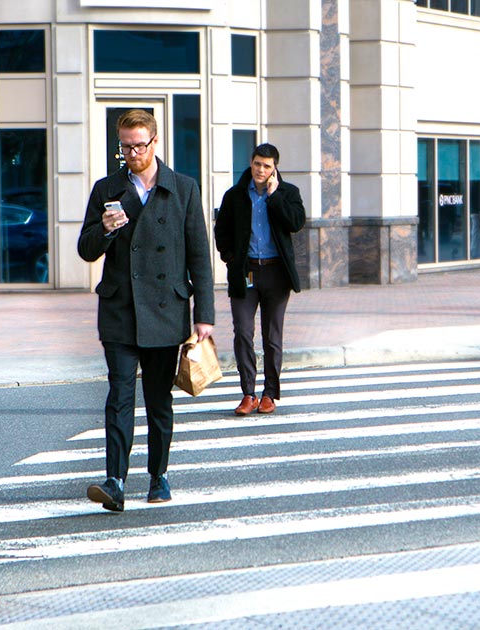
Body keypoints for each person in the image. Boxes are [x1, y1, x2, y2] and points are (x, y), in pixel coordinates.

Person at [77, 109, 214, 512]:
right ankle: (115, 481)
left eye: (139, 145)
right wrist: (104, 228)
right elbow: (86, 250)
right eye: (125, 146)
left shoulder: (183, 189)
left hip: (166, 309)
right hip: (119, 309)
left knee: (158, 400)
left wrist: (203, 315)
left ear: (155, 142)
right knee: (119, 396)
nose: (132, 153)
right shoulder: (107, 189)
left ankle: (159, 476)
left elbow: (199, 257)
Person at [214, 143, 306, 416]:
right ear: (251, 163)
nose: (261, 170)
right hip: (246, 271)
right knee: (243, 332)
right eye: (257, 164)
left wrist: (275, 197)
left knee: (272, 336)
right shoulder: (235, 195)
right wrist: (231, 257)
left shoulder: (289, 193)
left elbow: (296, 222)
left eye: (267, 166)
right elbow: (222, 232)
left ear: (274, 168)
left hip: (276, 273)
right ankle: (248, 394)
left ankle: (269, 394)